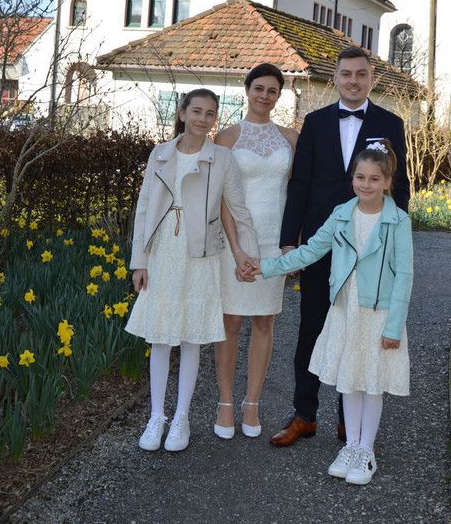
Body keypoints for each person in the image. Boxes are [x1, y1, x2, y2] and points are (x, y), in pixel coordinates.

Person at [245, 140, 413, 485]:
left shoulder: (397, 221)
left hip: (378, 314)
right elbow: (309, 252)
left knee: (371, 382)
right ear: (352, 179)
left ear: (387, 182)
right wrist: (265, 267)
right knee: (350, 379)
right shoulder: (341, 214)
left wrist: (394, 326)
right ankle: (350, 447)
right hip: (346, 310)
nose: (366, 184)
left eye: (374, 179)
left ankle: (366, 450)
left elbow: (404, 276)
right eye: (360, 177)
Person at [271, 45, 410, 447]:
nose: (353, 81)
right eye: (346, 74)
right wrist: (289, 241)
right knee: (312, 328)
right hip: (322, 238)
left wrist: (390, 237)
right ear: (335, 78)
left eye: (361, 74)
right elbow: (300, 183)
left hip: (368, 245)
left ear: (371, 78)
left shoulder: (390, 123)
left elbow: (400, 187)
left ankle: (350, 421)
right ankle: (305, 414)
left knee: (361, 329)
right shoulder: (314, 122)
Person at [125, 88, 258, 453]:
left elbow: (238, 208)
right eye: (196, 111)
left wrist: (248, 254)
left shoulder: (222, 158)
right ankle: (156, 417)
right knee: (160, 336)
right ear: (182, 113)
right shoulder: (160, 153)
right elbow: (144, 207)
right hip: (162, 251)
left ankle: (181, 418)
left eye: (210, 113)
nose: (203, 118)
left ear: (215, 118)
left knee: (190, 337)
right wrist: (139, 260)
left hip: (200, 254)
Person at [213, 63, 298, 439]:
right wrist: (236, 249)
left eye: (272, 90)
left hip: (273, 243)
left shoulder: (291, 139)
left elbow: (296, 194)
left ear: (279, 96)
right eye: (259, 88)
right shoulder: (227, 137)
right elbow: (220, 198)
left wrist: (291, 246)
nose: (265, 95)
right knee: (230, 322)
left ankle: (252, 404)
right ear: (247, 90)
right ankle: (225, 403)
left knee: (265, 322)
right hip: (236, 242)